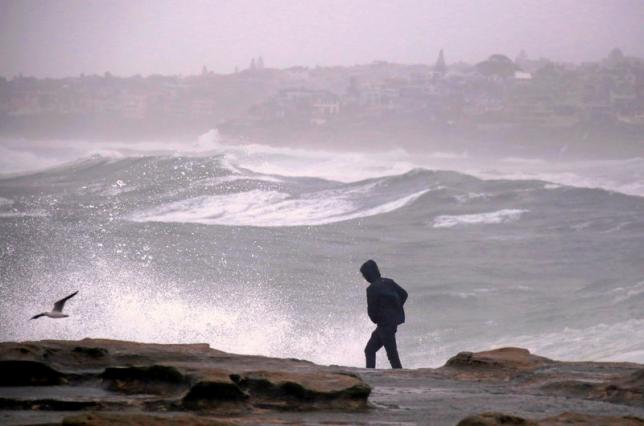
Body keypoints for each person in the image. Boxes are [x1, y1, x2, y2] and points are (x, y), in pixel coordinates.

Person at [360, 259, 408, 369]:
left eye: (364, 275)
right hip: (390, 324)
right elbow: (404, 294)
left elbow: (372, 311)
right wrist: (396, 309)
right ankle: (370, 373)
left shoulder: (371, 289)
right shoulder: (389, 282)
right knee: (370, 350)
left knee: (392, 355)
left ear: (368, 274)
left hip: (384, 325)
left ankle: (400, 377)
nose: (365, 278)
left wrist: (377, 318)